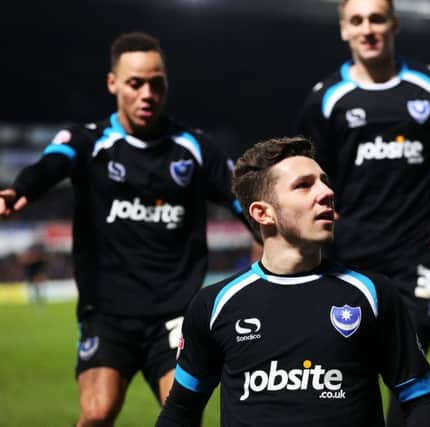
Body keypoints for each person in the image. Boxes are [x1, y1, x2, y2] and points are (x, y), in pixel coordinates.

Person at [0, 32, 254, 426]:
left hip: (174, 313)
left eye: (156, 83)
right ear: (113, 83)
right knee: (97, 413)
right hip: (108, 313)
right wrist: (21, 190)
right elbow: (53, 161)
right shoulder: (89, 140)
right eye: (136, 83)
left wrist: (270, 230)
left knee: (181, 414)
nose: (147, 93)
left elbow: (242, 197)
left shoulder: (194, 148)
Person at [156, 136, 430, 427]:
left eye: (324, 181)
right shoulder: (214, 304)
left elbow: (418, 398)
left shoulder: (372, 294)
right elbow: (181, 409)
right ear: (262, 213)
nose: (327, 192)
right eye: (304, 185)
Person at [297, 0, 430, 423]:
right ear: (344, 30)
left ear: (394, 23)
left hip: (417, 251)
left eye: (376, 18)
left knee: (409, 361)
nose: (368, 29)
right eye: (356, 21)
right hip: (349, 253)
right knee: (348, 368)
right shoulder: (327, 99)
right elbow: (304, 173)